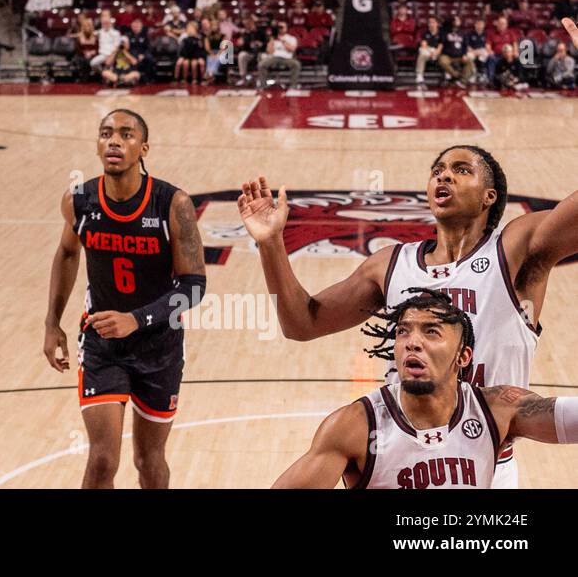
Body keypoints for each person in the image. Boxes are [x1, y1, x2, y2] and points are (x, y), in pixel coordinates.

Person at [240, 29, 578, 488]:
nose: (444, 176)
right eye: (438, 169)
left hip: (488, 458)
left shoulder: (516, 247)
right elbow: (301, 323)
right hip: (401, 456)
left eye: (462, 170)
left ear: (490, 197)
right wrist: (270, 244)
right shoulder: (391, 264)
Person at [43, 110, 206, 488]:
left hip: (160, 346)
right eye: (106, 133)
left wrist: (138, 318)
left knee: (149, 460)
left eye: (126, 134)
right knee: (102, 459)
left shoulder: (173, 203)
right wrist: (52, 323)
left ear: (143, 147)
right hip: (102, 344)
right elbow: (68, 254)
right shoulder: (79, 201)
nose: (114, 141)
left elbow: (194, 285)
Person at [276, 290, 578, 489]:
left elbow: (568, 419)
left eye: (431, 332)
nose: (412, 341)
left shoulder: (497, 408)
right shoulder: (354, 425)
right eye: (403, 331)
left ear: (463, 357)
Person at [257, 22, 300, 90]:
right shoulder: (274, 38)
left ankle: (293, 85)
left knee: (296, 64)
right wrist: (271, 41)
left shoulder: (291, 38)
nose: (280, 29)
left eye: (282, 27)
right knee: (261, 64)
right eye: (279, 27)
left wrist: (283, 41)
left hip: (287, 58)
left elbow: (292, 49)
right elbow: (269, 51)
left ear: (286, 28)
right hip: (274, 57)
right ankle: (263, 85)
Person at [415, 16, 443, 86]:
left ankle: (447, 75)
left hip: (438, 51)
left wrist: (436, 52)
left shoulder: (441, 33)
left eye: (433, 22)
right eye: (430, 22)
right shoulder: (425, 33)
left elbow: (441, 45)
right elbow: (424, 45)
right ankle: (419, 75)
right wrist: (430, 52)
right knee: (422, 53)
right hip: (428, 51)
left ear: (437, 23)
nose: (431, 24)